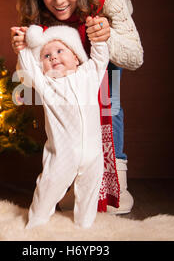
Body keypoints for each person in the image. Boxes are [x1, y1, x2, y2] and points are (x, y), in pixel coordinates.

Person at [11, 0, 144, 214]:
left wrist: (106, 38)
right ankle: (68, 175)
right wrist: (23, 52)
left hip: (99, 68)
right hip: (62, 78)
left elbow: (135, 58)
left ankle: (113, 182)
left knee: (107, 90)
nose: (59, 0)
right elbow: (27, 83)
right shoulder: (35, 9)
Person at [18, 24, 109, 229]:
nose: (53, 57)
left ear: (76, 57)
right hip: (62, 154)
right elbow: (28, 70)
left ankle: (84, 225)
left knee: (89, 192)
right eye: (46, 56)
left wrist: (97, 38)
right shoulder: (46, 84)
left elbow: (101, 58)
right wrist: (24, 47)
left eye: (60, 51)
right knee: (48, 188)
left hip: (94, 153)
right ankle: (36, 223)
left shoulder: (88, 74)